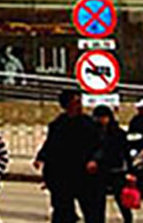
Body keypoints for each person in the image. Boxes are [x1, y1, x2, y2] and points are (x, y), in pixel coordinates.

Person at [34, 89, 103, 223]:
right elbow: (51, 145)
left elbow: (101, 145)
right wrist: (41, 158)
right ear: (66, 105)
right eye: (75, 102)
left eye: (80, 102)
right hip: (63, 174)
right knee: (62, 211)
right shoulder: (58, 124)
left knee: (92, 211)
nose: (79, 106)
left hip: (85, 174)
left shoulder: (90, 124)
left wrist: (95, 160)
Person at [93, 105, 135, 223]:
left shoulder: (118, 133)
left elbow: (125, 153)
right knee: (98, 201)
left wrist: (130, 172)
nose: (101, 120)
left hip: (116, 170)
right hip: (100, 170)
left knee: (121, 200)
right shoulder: (94, 133)